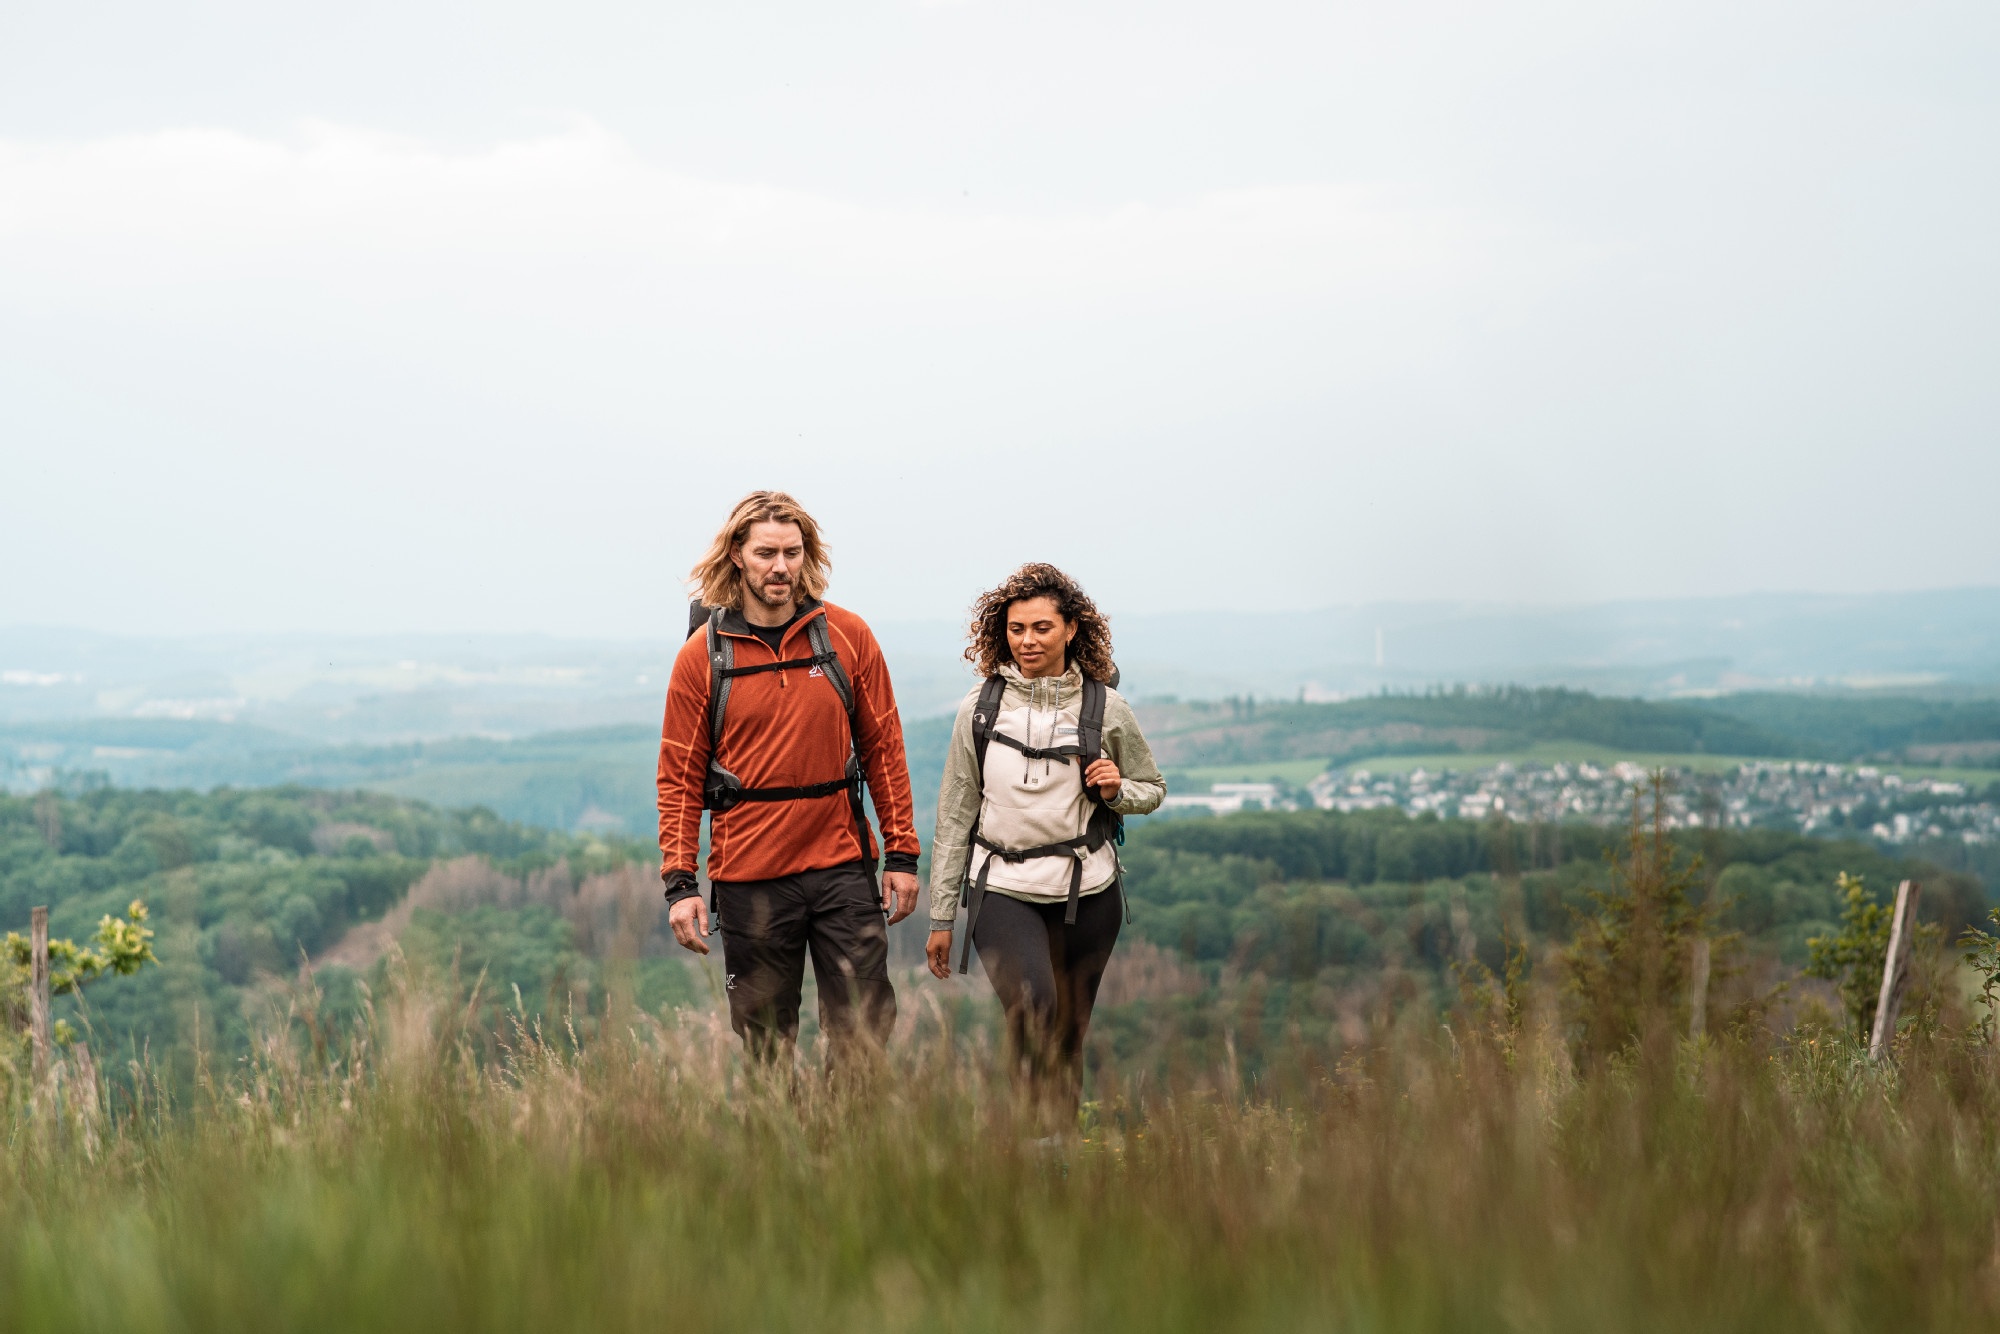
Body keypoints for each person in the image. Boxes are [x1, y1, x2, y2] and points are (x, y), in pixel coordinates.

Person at [657, 490, 921, 1064]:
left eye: (793, 553)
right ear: (737, 556)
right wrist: (680, 883)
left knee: (865, 1027)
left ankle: (845, 1147)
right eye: (766, 553)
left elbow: (884, 749)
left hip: (841, 866)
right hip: (750, 874)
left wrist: (901, 856)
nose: (781, 567)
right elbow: (679, 777)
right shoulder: (702, 657)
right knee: (765, 1046)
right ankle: (783, 1151)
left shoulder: (847, 635)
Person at [925, 563, 1164, 1120]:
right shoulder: (979, 709)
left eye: (1040, 628)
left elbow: (1152, 788)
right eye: (1016, 629)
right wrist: (942, 917)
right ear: (1001, 633)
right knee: (1033, 1008)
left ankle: (1058, 1153)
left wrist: (1116, 789)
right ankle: (1029, 1141)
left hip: (1088, 891)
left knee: (1069, 1029)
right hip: (1002, 886)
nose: (1027, 640)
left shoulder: (1107, 708)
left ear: (1071, 629)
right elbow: (956, 813)